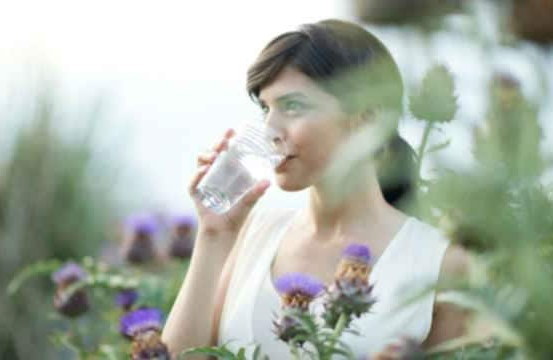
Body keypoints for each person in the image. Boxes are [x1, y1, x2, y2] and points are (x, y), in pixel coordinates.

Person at [161, 19, 471, 359]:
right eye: (265, 108)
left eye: (292, 106)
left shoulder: (441, 262)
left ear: (367, 117)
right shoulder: (252, 236)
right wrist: (213, 234)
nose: (270, 131)